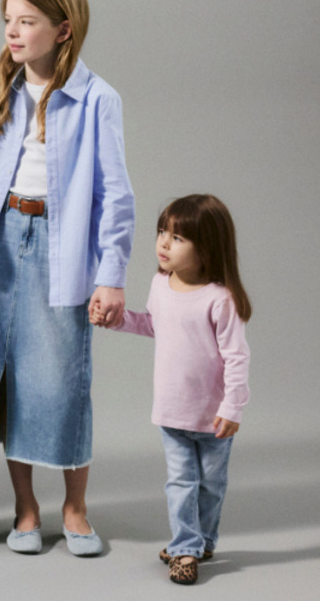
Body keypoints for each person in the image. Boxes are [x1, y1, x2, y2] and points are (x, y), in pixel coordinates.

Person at [0, 0, 134, 557]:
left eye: (27, 21)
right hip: (5, 239)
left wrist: (110, 275)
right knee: (8, 374)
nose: (13, 30)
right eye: (8, 18)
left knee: (61, 379)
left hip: (64, 245)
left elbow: (115, 195)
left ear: (63, 30)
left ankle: (76, 509)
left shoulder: (96, 98)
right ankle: (25, 508)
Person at [96, 194, 252, 585]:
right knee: (181, 483)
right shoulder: (160, 284)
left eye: (178, 238)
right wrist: (117, 321)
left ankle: (203, 539)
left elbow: (237, 357)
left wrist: (233, 406)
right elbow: (154, 325)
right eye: (161, 232)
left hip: (213, 417)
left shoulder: (220, 300)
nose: (163, 243)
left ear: (207, 248)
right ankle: (185, 547)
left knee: (212, 486)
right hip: (171, 411)